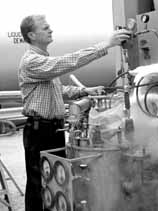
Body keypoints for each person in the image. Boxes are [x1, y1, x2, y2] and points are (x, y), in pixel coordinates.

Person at [18, 14, 131, 211]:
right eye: (45, 28)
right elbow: (67, 62)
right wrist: (105, 44)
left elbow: (58, 91)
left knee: (56, 181)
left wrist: (84, 91)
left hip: (53, 130)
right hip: (39, 132)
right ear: (32, 35)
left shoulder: (44, 63)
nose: (50, 30)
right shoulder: (32, 61)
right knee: (39, 184)